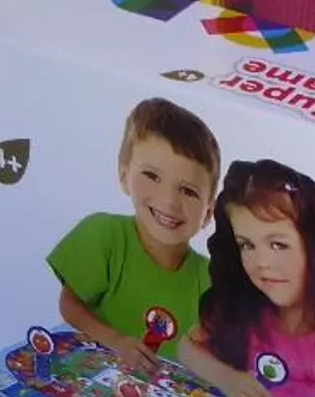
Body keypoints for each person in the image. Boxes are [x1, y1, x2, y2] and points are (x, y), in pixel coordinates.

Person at [47, 98, 221, 372]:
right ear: (123, 175)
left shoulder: (210, 280)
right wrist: (115, 341)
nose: (169, 201)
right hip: (89, 379)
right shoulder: (103, 235)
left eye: (188, 191)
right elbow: (69, 304)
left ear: (208, 213)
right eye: (152, 175)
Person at [180, 159, 315, 397]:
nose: (262, 263)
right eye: (247, 246)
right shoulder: (242, 313)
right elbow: (187, 348)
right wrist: (229, 378)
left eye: (278, 244)